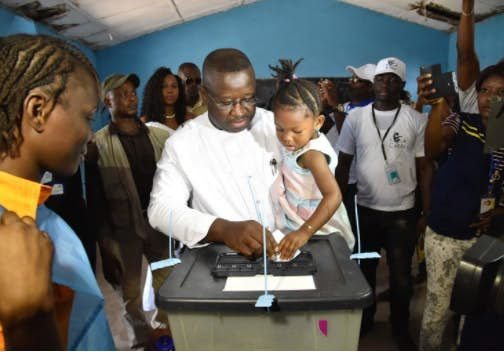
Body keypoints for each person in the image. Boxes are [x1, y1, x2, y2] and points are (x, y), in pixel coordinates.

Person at [0, 33, 114, 350]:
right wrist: (27, 324)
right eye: (88, 117)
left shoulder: (43, 219)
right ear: (38, 109)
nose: (91, 136)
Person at [335, 57, 431, 349]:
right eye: (380, 78)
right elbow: (343, 164)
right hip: (364, 209)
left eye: (391, 79)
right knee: (364, 272)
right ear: (373, 83)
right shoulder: (355, 119)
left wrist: (426, 211)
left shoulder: (416, 120)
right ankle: (365, 322)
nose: (385, 84)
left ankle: (400, 329)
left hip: (403, 212)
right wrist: (337, 208)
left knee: (401, 278)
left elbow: (425, 167)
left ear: (401, 85)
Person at [149, 48, 280, 258]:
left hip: (283, 249)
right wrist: (223, 229)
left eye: (248, 99)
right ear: (204, 94)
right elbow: (161, 210)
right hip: (220, 257)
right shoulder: (183, 143)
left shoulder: (275, 126)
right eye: (226, 102)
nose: (239, 111)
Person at [418, 53, 504, 352]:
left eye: (500, 93)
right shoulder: (462, 122)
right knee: (437, 310)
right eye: (484, 90)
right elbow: (431, 150)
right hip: (444, 234)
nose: (489, 98)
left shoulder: (502, 134)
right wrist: (436, 106)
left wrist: (500, 210)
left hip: (484, 242)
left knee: (474, 310)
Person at [85, 73, 172, 349]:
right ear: (106, 101)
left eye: (132, 92)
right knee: (130, 295)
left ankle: (166, 332)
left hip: (159, 226)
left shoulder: (159, 136)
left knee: (168, 282)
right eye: (121, 93)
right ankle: (142, 340)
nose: (130, 97)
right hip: (122, 231)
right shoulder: (96, 147)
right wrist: (104, 247)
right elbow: (96, 201)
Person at [268, 58, 354, 260]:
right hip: (301, 227)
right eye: (279, 128)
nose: (286, 137)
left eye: (296, 130)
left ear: (318, 122)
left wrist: (305, 231)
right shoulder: (299, 143)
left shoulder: (312, 155)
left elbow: (334, 195)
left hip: (322, 233)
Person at [320, 63, 376, 236]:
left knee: (356, 232)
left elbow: (349, 136)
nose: (351, 83)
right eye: (351, 79)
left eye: (357, 80)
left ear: (371, 87)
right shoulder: (347, 107)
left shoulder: (373, 110)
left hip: (357, 185)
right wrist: (323, 105)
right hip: (340, 179)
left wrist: (335, 104)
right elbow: (324, 129)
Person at [140, 66, 193, 133]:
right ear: (154, 91)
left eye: (174, 86)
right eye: (164, 86)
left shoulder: (190, 118)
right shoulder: (144, 123)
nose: (170, 91)